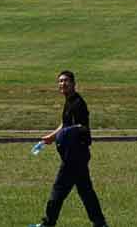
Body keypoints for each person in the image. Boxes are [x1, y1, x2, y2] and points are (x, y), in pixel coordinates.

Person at [33, 70, 108, 227]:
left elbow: (82, 127)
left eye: (66, 81)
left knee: (58, 191)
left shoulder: (78, 104)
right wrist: (51, 137)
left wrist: (69, 132)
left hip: (75, 155)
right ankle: (100, 223)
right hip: (76, 155)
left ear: (74, 84)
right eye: (60, 81)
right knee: (86, 191)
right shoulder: (69, 101)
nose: (62, 84)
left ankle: (48, 223)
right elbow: (64, 125)